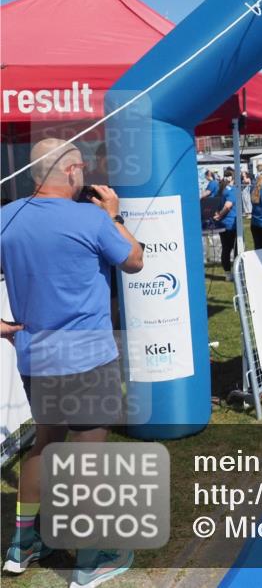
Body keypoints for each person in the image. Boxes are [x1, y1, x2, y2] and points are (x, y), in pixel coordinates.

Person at [1, 139, 143, 584]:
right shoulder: (90, 217)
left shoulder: (6, 217)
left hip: (35, 358)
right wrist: (114, 213)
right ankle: (91, 558)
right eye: (83, 167)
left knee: (45, 446)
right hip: (87, 359)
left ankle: (22, 545)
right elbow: (135, 260)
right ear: (72, 170)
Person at [212, 175, 239, 280]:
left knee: (226, 249)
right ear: (232, 178)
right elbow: (228, 206)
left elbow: (214, 203)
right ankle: (236, 273)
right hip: (231, 224)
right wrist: (220, 215)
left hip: (223, 225)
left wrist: (217, 215)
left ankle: (228, 273)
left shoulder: (220, 189)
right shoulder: (231, 190)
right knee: (236, 249)